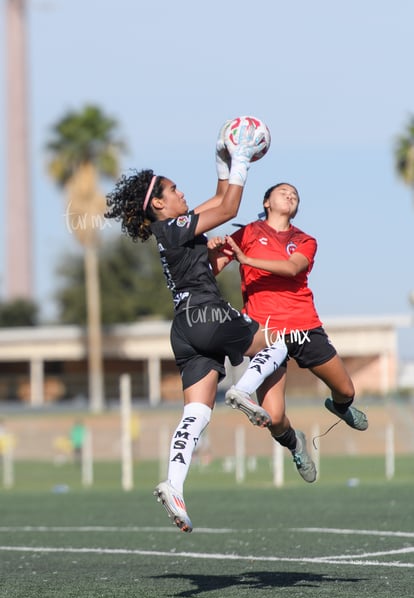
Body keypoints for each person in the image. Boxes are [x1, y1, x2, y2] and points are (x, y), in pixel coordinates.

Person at [105, 120, 296, 533]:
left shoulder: (172, 229)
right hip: (207, 315)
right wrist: (241, 159)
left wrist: (221, 160)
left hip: (184, 329)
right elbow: (227, 209)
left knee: (195, 413)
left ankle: (174, 484)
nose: (181, 193)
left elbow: (217, 200)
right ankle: (243, 389)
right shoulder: (171, 228)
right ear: (158, 204)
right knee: (282, 337)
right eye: (173, 190)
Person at [209, 181, 368, 475]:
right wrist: (211, 248)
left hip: (303, 325)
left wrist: (246, 259)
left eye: (295, 194)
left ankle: (341, 407)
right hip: (265, 332)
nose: (291, 195)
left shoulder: (306, 239)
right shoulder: (247, 233)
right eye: (283, 191)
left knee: (346, 390)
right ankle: (295, 444)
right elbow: (213, 267)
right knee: (273, 415)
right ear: (267, 201)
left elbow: (293, 267)